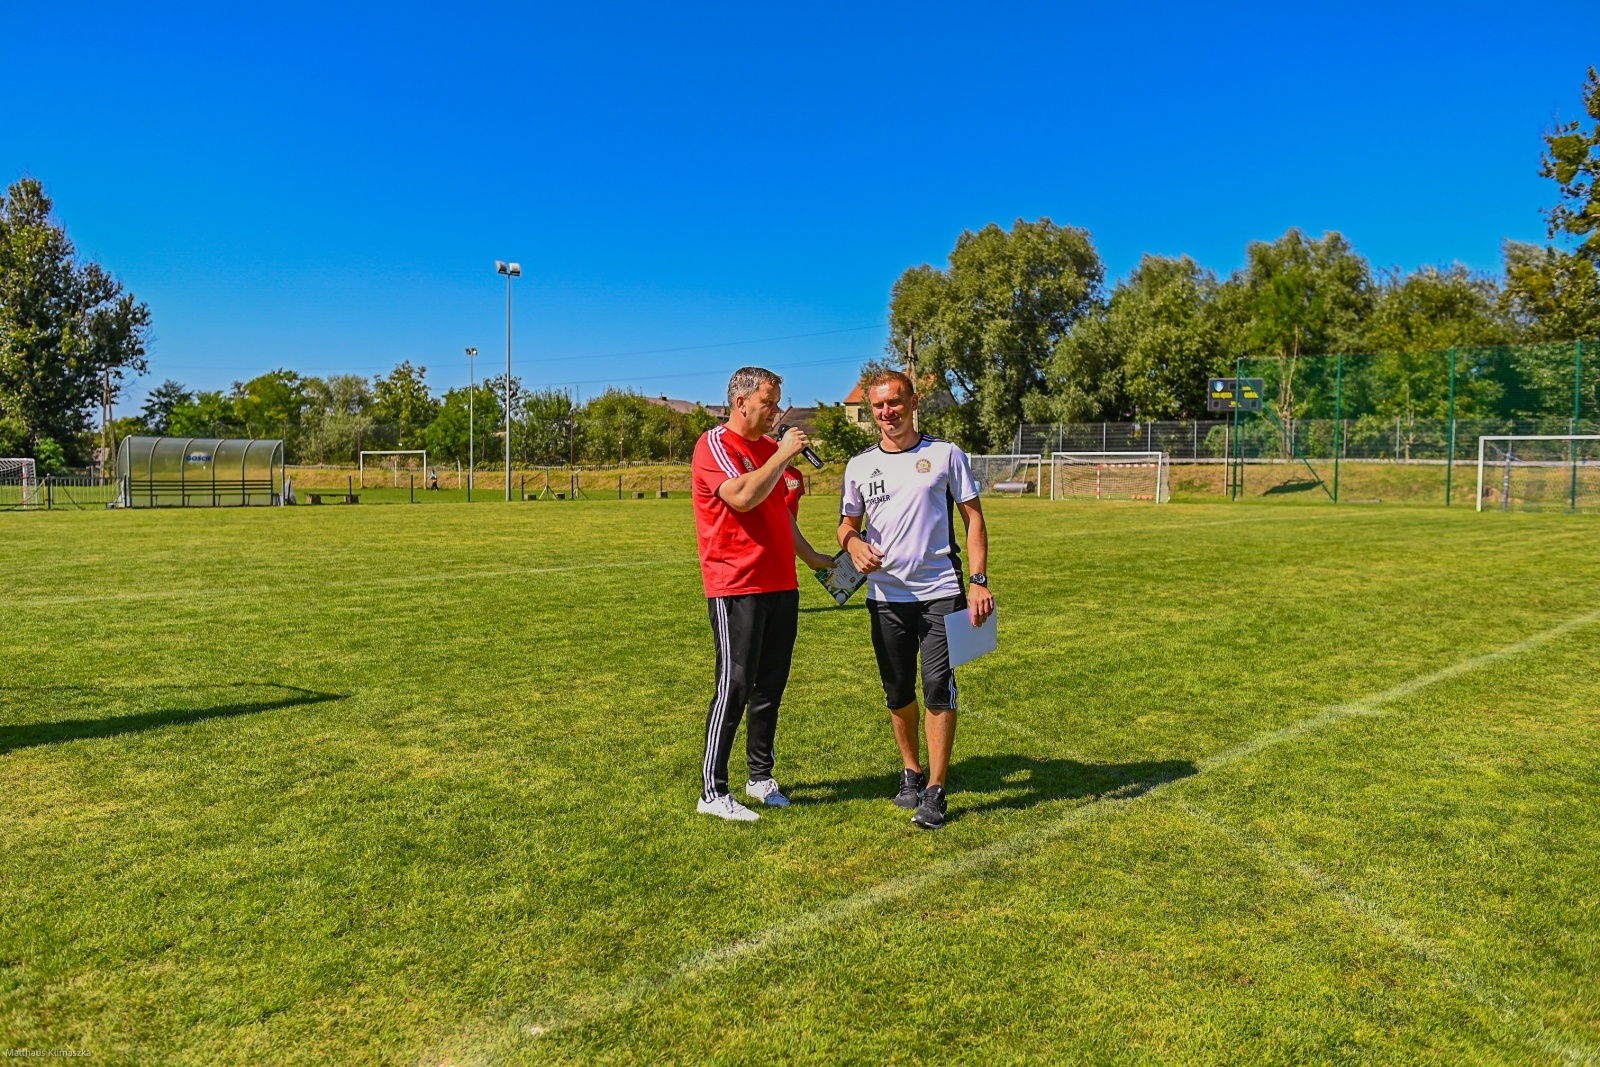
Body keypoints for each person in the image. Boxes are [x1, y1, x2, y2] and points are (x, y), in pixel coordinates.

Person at [837, 369, 994, 830]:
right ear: (873, 411)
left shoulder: (946, 455)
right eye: (879, 406)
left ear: (913, 402)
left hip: (940, 591)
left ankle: (936, 789)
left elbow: (975, 520)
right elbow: (846, 524)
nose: (888, 412)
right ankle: (911, 770)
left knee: (938, 686)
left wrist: (979, 580)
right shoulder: (859, 465)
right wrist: (853, 545)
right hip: (886, 595)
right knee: (897, 688)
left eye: (895, 402)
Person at [692, 367, 835, 822]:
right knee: (734, 685)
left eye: (777, 402)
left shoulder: (771, 450)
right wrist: (781, 456)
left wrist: (810, 556)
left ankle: (760, 777)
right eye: (769, 403)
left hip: (781, 583)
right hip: (737, 584)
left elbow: (778, 513)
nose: (777, 411)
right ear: (741, 403)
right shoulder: (715, 444)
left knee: (770, 685)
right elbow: (742, 497)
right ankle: (713, 791)